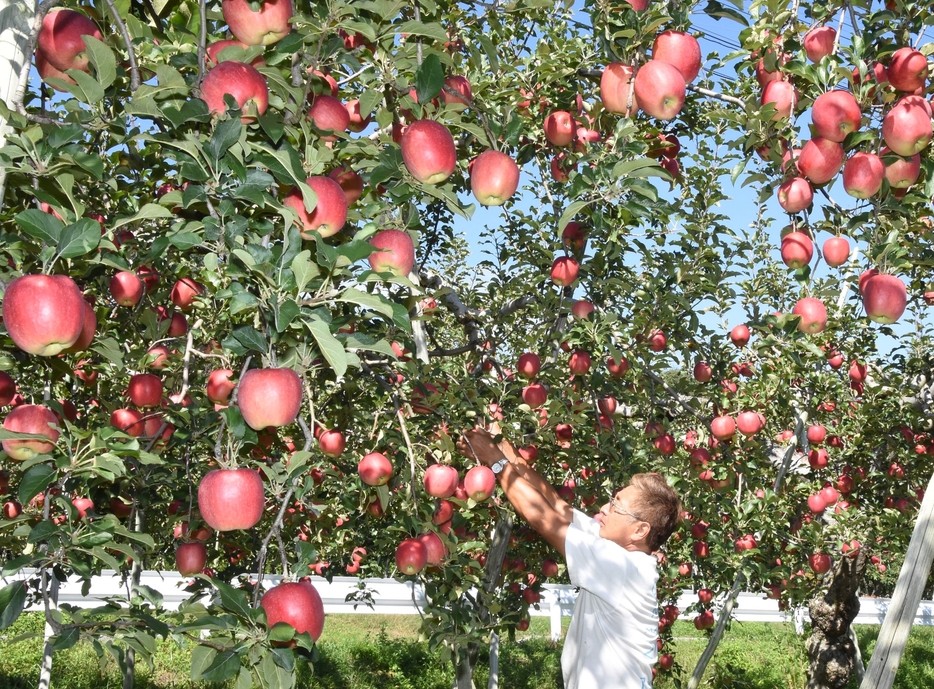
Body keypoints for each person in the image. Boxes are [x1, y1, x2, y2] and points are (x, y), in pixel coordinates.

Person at [457, 427, 681, 688]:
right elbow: (556, 505)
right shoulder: (618, 551)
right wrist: (504, 448)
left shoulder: (621, 567)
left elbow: (543, 518)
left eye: (617, 505)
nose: (605, 508)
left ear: (640, 530)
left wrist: (496, 462)